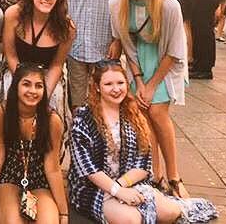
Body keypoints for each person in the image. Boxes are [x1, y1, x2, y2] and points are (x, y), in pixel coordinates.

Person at [68, 61, 206, 224]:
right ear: (97, 87)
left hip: (128, 182)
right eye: (108, 84)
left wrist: (122, 186)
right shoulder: (83, 118)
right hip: (93, 188)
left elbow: (143, 164)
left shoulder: (133, 114)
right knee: (131, 219)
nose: (116, 89)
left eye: (120, 83)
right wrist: (116, 191)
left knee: (171, 212)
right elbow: (87, 168)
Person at [109, 0, 189, 198]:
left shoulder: (168, 4)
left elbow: (175, 50)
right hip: (137, 62)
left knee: (157, 112)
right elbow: (126, 42)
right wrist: (140, 81)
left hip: (165, 60)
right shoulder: (116, 2)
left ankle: (174, 176)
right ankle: (154, 174)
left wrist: (152, 84)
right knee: (141, 115)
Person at [0, 64, 68, 224]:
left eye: (38, 86)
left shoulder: (52, 120)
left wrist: (64, 214)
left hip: (40, 180)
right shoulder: (2, 112)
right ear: (16, 86)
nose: (32, 91)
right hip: (9, 177)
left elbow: (52, 167)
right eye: (26, 84)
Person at [2, 0, 74, 108]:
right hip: (17, 70)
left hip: (47, 74)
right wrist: (22, 83)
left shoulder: (67, 27)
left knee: (54, 98)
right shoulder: (13, 14)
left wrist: (43, 93)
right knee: (10, 93)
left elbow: (57, 65)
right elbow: (10, 54)